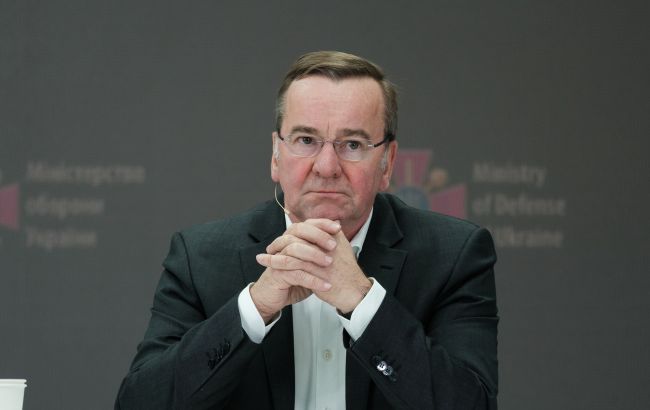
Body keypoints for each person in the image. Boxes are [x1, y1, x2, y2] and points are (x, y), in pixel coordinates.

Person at [115, 51, 498, 410]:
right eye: (306, 140)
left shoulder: (453, 255)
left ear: (387, 162)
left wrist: (363, 303)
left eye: (353, 144)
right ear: (275, 155)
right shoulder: (200, 257)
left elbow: (473, 403)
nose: (327, 167)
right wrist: (254, 309)